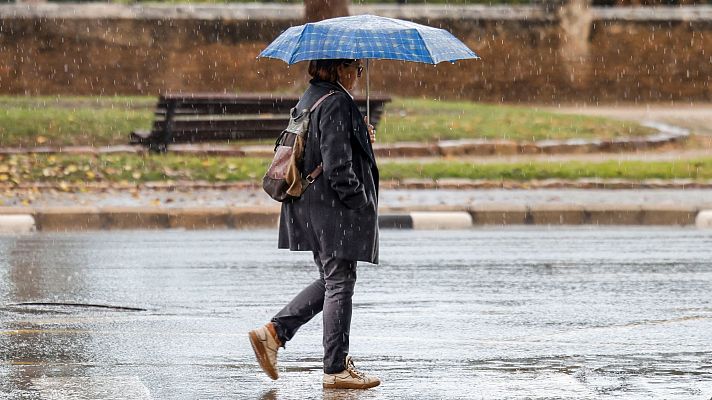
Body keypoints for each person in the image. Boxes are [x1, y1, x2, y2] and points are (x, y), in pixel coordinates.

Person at [248, 58, 380, 390]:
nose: (358, 75)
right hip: (333, 210)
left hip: (311, 206)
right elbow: (337, 167)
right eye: (357, 68)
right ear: (340, 68)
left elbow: (320, 150)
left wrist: (358, 133)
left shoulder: (312, 96)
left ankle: (274, 333)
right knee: (340, 283)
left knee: (331, 279)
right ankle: (335, 368)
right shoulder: (336, 102)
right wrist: (361, 201)